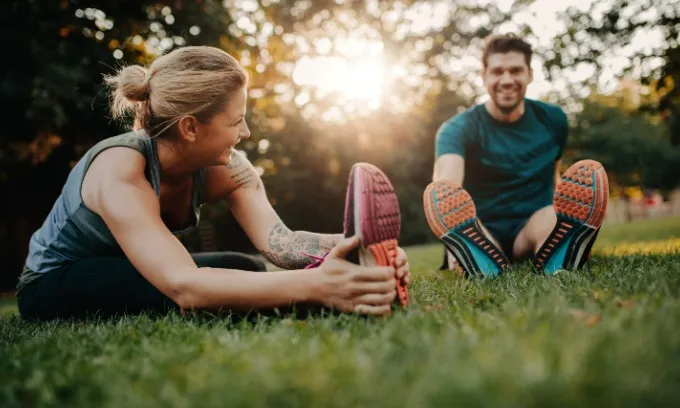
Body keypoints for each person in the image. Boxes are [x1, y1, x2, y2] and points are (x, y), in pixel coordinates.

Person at [16, 46, 409, 321]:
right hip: (58, 279)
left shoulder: (229, 168)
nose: (247, 131)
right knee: (190, 292)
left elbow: (282, 245)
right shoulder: (121, 169)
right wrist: (317, 286)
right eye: (236, 121)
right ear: (190, 127)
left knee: (246, 268)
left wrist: (358, 250)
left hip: (128, 268)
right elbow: (186, 285)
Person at [423, 33, 609, 277]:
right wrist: (449, 238)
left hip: (532, 225)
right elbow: (447, 187)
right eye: (498, 71)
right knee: (471, 227)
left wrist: (563, 210)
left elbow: (553, 172)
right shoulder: (458, 128)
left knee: (552, 219)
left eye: (516, 70)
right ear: (484, 76)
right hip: (482, 226)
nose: (507, 79)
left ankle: (563, 250)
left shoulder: (553, 119)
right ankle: (471, 252)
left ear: (529, 74)